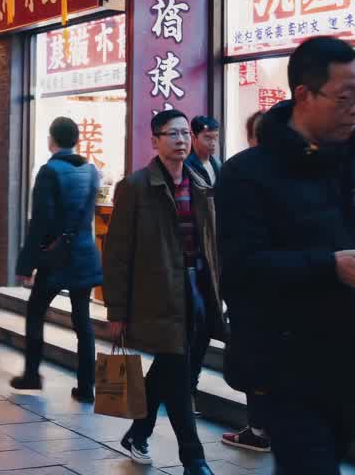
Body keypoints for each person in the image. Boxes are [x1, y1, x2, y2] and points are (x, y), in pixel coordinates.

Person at [215, 37, 355, 474]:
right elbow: (240, 271)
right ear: (304, 94)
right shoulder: (248, 173)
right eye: (345, 99)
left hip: (350, 363)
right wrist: (328, 266)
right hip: (284, 366)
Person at [104, 109, 219, 475]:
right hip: (155, 294)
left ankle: (138, 432)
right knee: (180, 372)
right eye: (172, 134)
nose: (181, 140)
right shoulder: (135, 187)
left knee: (170, 367)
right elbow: (118, 253)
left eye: (186, 133)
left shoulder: (199, 184)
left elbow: (210, 245)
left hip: (194, 289)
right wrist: (116, 311)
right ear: (155, 140)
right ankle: (194, 458)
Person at [12, 116, 103, 403]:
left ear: (52, 139)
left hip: (56, 258)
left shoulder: (49, 171)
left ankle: (31, 375)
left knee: (36, 312)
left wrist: (27, 265)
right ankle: (87, 387)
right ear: (76, 140)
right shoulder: (91, 171)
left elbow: (40, 222)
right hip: (85, 255)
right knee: (82, 322)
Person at [220, 108, 274, 453]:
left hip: (251, 286)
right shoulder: (297, 169)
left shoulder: (238, 169)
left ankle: (258, 427)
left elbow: (227, 234)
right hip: (288, 286)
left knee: (253, 360)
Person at [186, 115, 222, 186]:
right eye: (208, 138)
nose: (213, 143)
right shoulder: (186, 166)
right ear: (193, 137)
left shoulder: (217, 163)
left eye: (216, 137)